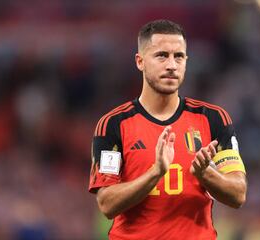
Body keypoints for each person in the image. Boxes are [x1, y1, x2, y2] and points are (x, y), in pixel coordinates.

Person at [88, 19, 247, 240]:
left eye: (178, 56)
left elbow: (238, 194)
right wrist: (155, 172)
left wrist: (206, 174)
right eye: (162, 55)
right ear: (140, 61)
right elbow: (106, 204)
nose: (171, 65)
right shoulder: (114, 124)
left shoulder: (213, 119)